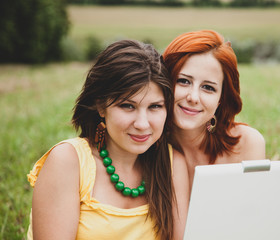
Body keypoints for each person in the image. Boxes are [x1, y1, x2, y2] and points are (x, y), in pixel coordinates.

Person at [26, 39, 189, 240]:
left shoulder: (173, 164)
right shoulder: (68, 162)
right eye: (128, 106)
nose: (142, 123)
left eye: (155, 106)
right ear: (101, 107)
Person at [162, 30, 266, 186]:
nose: (193, 98)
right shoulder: (147, 145)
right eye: (184, 81)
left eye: (208, 88)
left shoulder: (247, 143)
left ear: (220, 100)